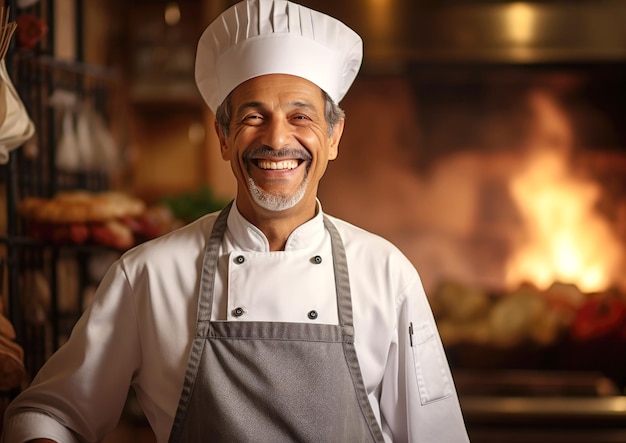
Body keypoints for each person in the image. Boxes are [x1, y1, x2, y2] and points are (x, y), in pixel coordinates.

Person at [2, 0, 470, 441]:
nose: (277, 138)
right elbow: (51, 412)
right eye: (253, 116)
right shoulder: (149, 274)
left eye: (300, 116)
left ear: (333, 137)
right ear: (224, 137)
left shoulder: (386, 275)